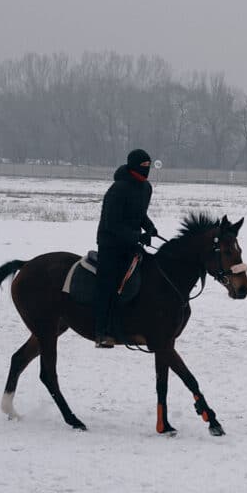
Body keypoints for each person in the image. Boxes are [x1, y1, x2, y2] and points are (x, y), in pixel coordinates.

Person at [93, 149, 159, 348]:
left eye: (149, 166)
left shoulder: (146, 188)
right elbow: (111, 223)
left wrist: (150, 228)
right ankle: (101, 332)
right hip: (110, 245)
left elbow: (139, 214)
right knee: (109, 285)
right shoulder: (118, 188)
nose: (147, 170)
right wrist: (136, 236)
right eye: (144, 166)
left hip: (131, 244)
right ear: (133, 166)